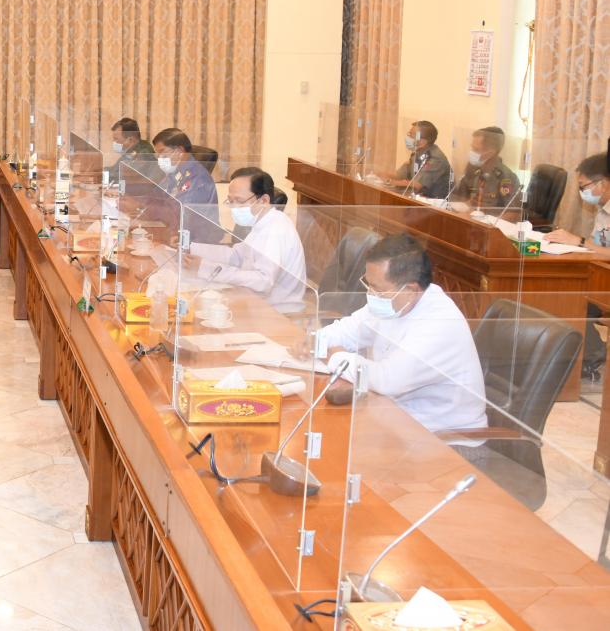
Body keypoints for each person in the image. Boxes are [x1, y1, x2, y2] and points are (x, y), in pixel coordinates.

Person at [317, 234, 487, 433]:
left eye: (377, 288)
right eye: (368, 284)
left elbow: (386, 380)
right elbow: (347, 330)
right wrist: (316, 341)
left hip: (445, 437)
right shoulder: (391, 301)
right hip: (394, 419)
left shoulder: (440, 323)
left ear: (411, 289)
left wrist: (337, 356)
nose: (370, 294)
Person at [185, 168, 308, 313]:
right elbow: (237, 255)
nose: (233, 207)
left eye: (239, 201)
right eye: (230, 201)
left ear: (263, 200)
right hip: (255, 301)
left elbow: (263, 281)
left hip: (278, 312)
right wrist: (191, 248)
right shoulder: (263, 222)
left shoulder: (276, 230)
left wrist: (206, 268)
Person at [543, 153, 609, 380]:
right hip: (601, 273)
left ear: (603, 183)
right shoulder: (603, 209)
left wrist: (578, 241)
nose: (582, 192)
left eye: (584, 186)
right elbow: (597, 246)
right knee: (560, 289)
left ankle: (591, 358)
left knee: (572, 298)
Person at [150, 128, 221, 243]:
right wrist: (139, 206)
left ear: (179, 151)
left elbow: (182, 215)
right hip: (175, 233)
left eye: (162, 152)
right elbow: (156, 196)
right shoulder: (174, 172)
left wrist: (149, 214)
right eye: (157, 154)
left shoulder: (198, 178)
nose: (159, 158)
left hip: (195, 241)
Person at [449, 126, 519, 213]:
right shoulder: (473, 170)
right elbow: (460, 199)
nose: (472, 152)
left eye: (476, 149)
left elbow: (513, 213)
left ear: (490, 152)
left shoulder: (506, 178)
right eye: (472, 148)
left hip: (489, 220)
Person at [379, 121, 452, 198]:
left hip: (432, 202)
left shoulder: (436, 159)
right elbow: (399, 175)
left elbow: (417, 185)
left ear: (423, 141)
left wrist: (389, 181)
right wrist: (379, 173)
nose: (408, 138)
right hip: (417, 198)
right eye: (409, 134)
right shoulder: (417, 153)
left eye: (411, 135)